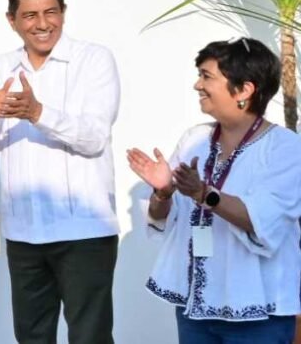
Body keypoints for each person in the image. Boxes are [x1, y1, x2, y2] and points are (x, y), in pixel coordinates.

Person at [0, 0, 121, 344]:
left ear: (64, 13)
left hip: (84, 229)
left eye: (51, 12)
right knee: (32, 336)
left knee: (90, 337)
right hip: (23, 231)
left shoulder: (94, 60)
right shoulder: (1, 66)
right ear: (12, 21)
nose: (42, 24)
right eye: (30, 15)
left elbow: (94, 137)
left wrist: (39, 113)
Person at [127, 38, 301, 344]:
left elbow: (262, 219)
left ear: (244, 90)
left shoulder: (286, 148)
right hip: (195, 308)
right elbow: (164, 220)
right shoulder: (196, 138)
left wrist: (204, 194)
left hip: (257, 313)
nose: (197, 85)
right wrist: (164, 192)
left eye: (207, 76)